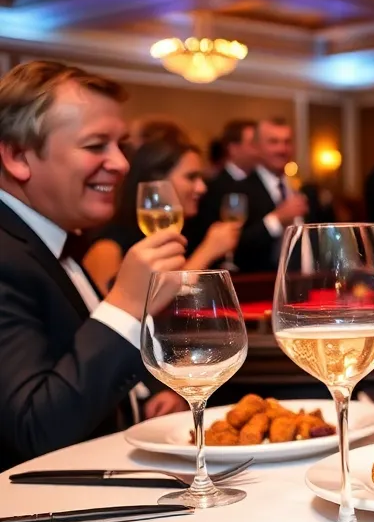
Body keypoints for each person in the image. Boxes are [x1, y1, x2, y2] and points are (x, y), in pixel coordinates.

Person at [0, 61, 188, 469]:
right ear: (17, 156)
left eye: (121, 145)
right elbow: (34, 430)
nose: (120, 164)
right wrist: (125, 304)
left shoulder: (52, 242)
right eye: (95, 145)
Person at [81, 138, 241, 293]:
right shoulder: (108, 245)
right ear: (156, 183)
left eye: (201, 178)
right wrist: (207, 252)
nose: (201, 188)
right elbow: (114, 313)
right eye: (191, 177)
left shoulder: (190, 230)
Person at [232, 118, 332, 273]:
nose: (282, 149)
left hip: (311, 283)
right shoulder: (240, 190)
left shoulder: (304, 189)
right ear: (257, 147)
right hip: (264, 287)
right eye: (273, 142)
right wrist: (276, 220)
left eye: (287, 142)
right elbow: (235, 249)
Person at [183, 119, 257, 253]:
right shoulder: (214, 187)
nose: (259, 149)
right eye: (253, 143)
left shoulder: (259, 182)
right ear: (233, 148)